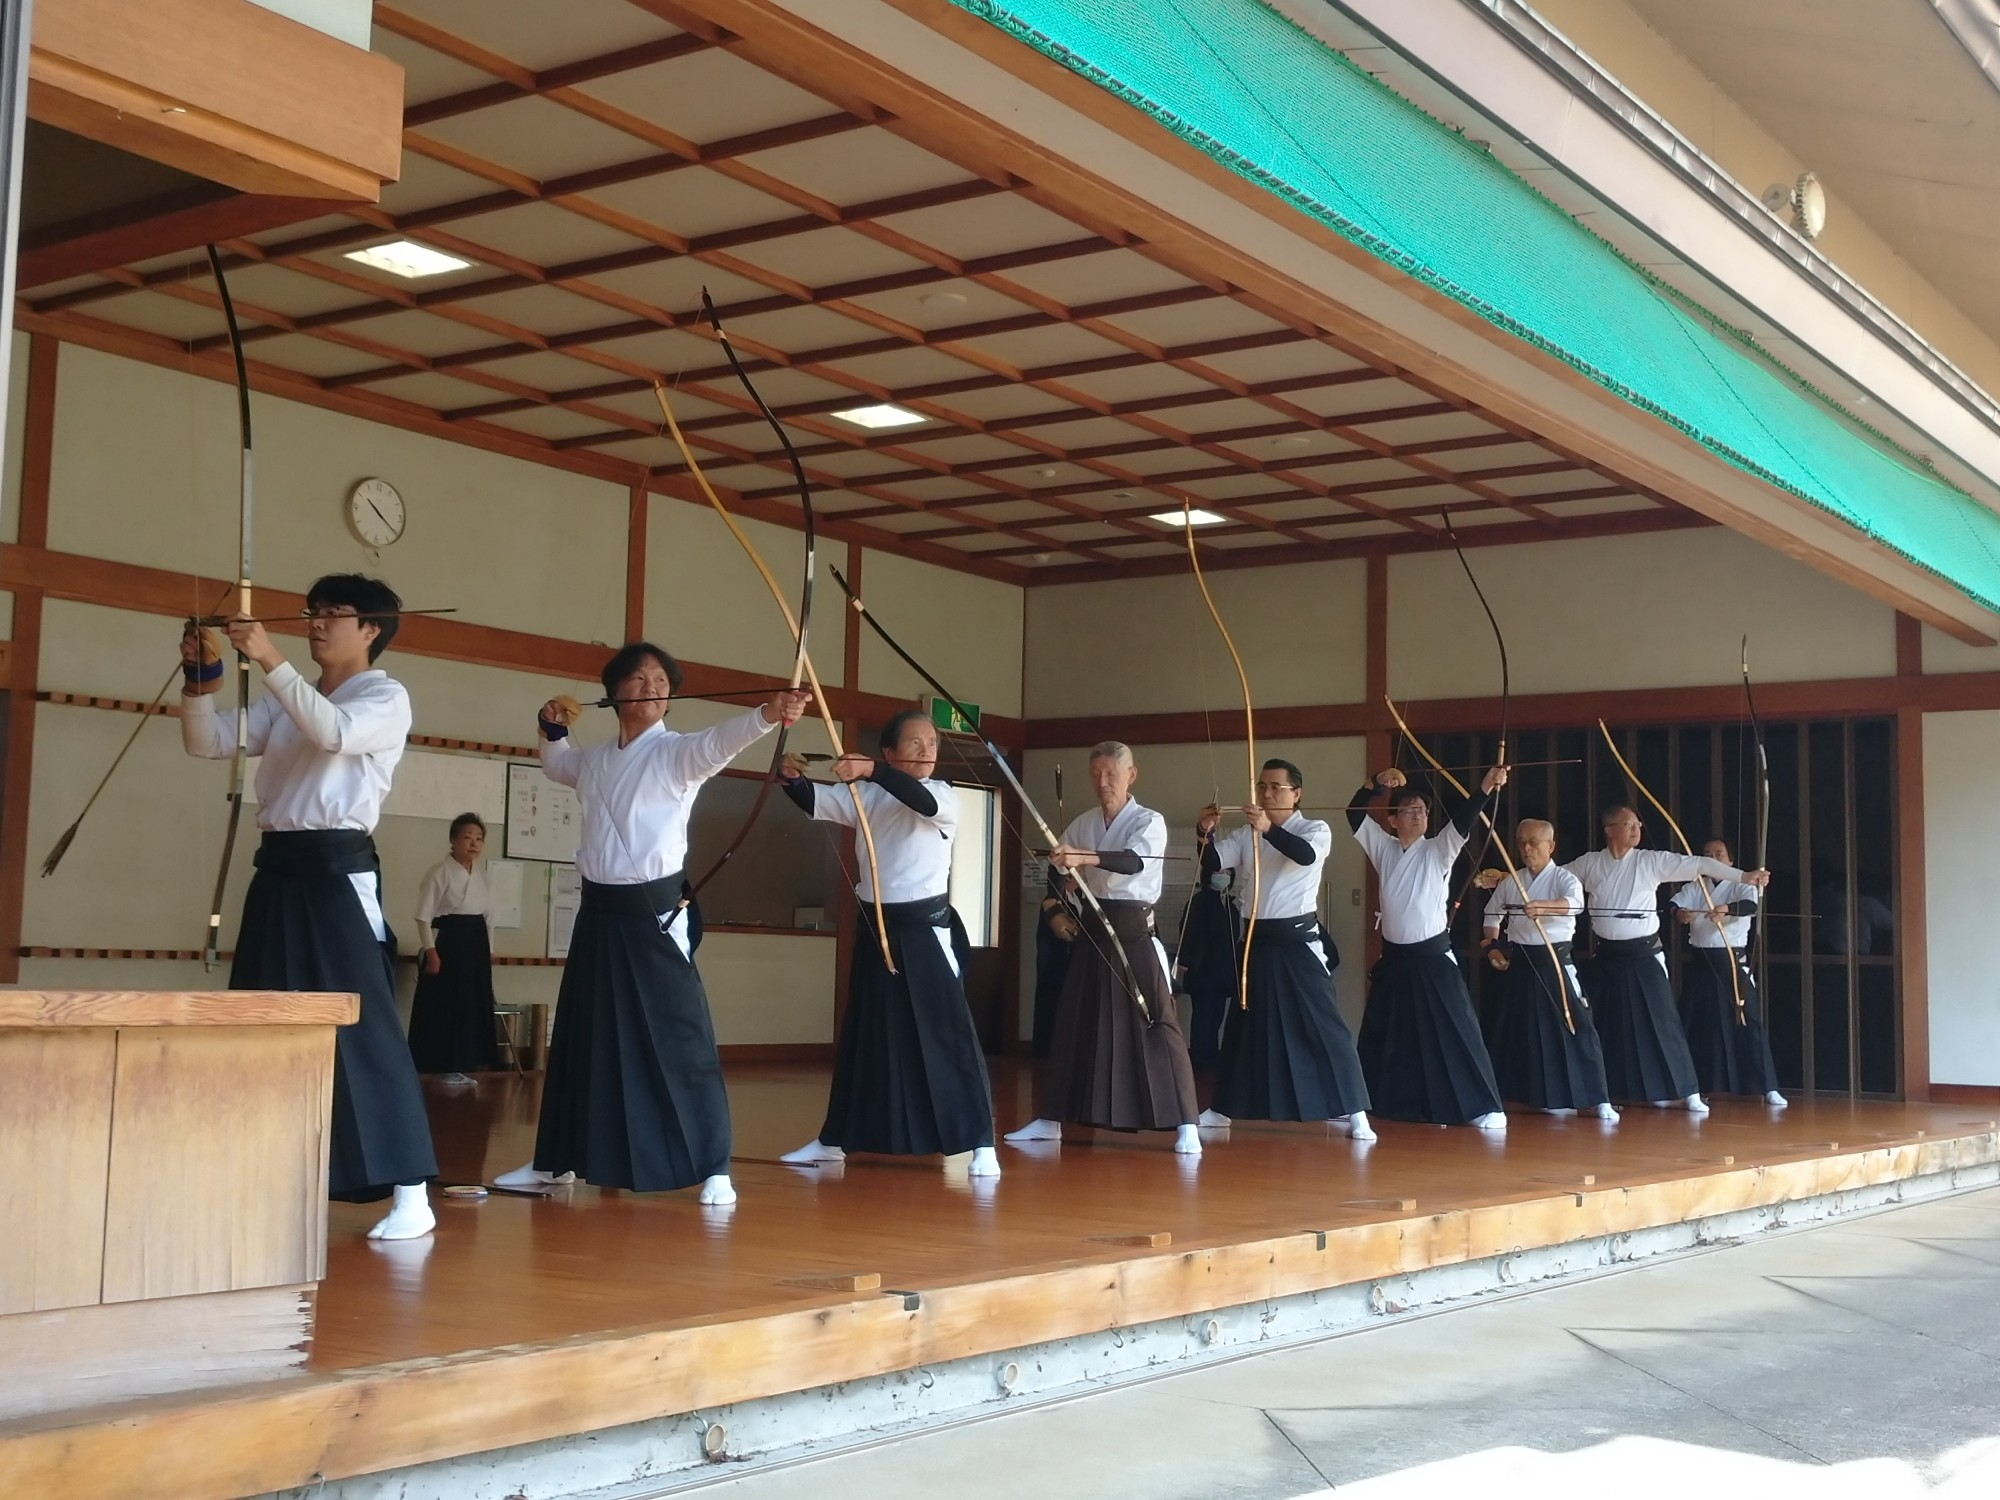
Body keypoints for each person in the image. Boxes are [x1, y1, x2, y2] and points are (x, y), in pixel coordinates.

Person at [495, 645, 807, 1204]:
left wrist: (768, 713)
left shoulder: (677, 753)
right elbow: (557, 763)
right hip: (598, 913)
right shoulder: (594, 760)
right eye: (638, 679)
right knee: (583, 1037)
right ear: (614, 692)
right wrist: (550, 727)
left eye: (661, 681)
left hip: (654, 915)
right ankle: (556, 1163)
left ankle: (714, 1166)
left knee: (679, 1038)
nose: (651, 687)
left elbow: (720, 742)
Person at [180, 574, 437, 1241]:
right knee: (259, 1021)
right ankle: (262, 1176)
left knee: (361, 1024)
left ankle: (412, 1190)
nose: (316, 623)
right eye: (312, 612)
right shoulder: (293, 696)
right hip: (279, 871)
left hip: (335, 873)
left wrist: (268, 656)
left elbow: (333, 734)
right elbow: (207, 743)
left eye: (333, 613)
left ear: (371, 629)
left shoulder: (384, 696)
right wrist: (200, 680)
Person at [777, 710, 1000, 1176]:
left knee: (947, 1036)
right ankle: (834, 1141)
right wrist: (791, 777)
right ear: (890, 751)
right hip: (878, 930)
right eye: (915, 743)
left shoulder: (943, 795)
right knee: (866, 1037)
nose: (926, 751)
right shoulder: (867, 796)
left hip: (925, 932)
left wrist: (872, 771)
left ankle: (981, 1142)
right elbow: (817, 800)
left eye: (932, 743)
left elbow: (918, 799)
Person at [1006, 742, 1201, 1153]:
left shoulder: (1148, 821)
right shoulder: (1084, 822)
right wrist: (1055, 906)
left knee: (1159, 1023)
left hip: (1134, 934)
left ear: (1131, 775)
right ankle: (1051, 1120)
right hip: (1094, 934)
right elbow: (1057, 867)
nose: (1103, 781)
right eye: (1096, 774)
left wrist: (1085, 857)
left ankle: (1187, 1123)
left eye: (1112, 773)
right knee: (1072, 1024)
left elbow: (1133, 862)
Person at [1199, 760, 1373, 1139]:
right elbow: (1211, 864)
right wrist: (1205, 833)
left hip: (1296, 943)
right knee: (1241, 1028)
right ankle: (1221, 1109)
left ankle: (1355, 1110)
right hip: (1256, 942)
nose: (1266, 793)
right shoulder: (1247, 834)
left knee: (1325, 1026)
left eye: (1276, 787)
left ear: (1297, 794)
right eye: (1262, 786)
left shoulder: (1314, 829)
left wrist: (1268, 828)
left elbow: (1304, 855)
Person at [1566, 807, 1771, 1112]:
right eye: (1628, 824)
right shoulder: (1590, 863)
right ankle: (1604, 1094)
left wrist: (1744, 876)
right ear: (1609, 830)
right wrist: (1507, 878)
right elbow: (1555, 876)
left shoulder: (1651, 861)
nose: (1636, 829)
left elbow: (1700, 864)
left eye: (1638, 824)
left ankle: (1688, 1092)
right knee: (1603, 1024)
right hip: (1607, 955)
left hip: (1644, 954)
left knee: (1664, 1023)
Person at [1349, 767, 1508, 1129]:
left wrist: (1486, 786)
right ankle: (1366, 1102)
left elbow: (1464, 819)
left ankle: (1484, 1106)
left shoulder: (1438, 849)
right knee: (1383, 1033)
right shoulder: (1384, 848)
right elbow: (1354, 815)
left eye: (1422, 810)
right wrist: (1375, 784)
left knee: (1456, 1031)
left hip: (1432, 959)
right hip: (1395, 960)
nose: (1419, 815)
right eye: (1409, 810)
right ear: (1392, 821)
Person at [1477, 819, 1617, 1121]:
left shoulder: (1565, 878)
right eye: (1522, 843)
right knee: (1514, 1030)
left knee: (1577, 1026)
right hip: (1520, 963)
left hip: (1554, 962)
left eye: (1534, 843)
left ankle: (1597, 1098)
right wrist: (1492, 946)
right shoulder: (1512, 881)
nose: (1527, 849)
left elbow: (1575, 904)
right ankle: (1515, 1096)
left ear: (1551, 846)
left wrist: (1543, 907)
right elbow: (1491, 915)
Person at [1675, 838, 1787, 1107]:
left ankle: (1768, 1087)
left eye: (1719, 854)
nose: (1713, 859)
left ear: (1730, 860)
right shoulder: (1696, 885)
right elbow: (1675, 907)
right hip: (1701, 963)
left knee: (1749, 1022)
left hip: (1731, 963)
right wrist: (1683, 914)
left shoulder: (1742, 883)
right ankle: (1692, 1087)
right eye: (1707, 854)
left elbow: (1751, 906)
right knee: (1695, 1022)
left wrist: (1726, 910)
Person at [407, 812, 499, 1079]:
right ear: (453, 840)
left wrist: (489, 951)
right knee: (445, 1002)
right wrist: (431, 952)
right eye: (467, 837)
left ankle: (468, 1062)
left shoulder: (483, 876)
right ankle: (439, 1064)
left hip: (476, 942)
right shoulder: (439, 872)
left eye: (479, 838)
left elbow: (490, 918)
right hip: (450, 941)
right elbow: (423, 916)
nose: (474, 843)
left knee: (472, 1003)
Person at [1173, 805, 1240, 1070]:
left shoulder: (1230, 905)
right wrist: (1186, 962)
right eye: (1218, 872)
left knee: (1215, 1018)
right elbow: (1188, 933)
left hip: (1223, 974)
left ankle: (1210, 1058)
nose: (1222, 876)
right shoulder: (1199, 902)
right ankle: (1201, 1060)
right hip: (1203, 972)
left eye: (1227, 873)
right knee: (1203, 1018)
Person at [1030, 863, 1077, 1059]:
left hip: (1069, 971)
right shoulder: (1052, 904)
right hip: (1056, 971)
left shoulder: (1076, 899)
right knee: (1052, 1015)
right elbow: (1068, 933)